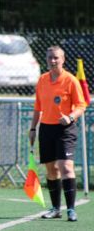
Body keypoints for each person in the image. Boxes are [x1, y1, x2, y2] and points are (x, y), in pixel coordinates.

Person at [29, 46, 86, 222]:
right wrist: (33, 129)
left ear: (63, 59)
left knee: (65, 167)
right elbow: (38, 108)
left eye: (56, 58)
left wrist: (69, 117)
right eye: (50, 58)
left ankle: (70, 209)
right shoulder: (42, 80)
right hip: (46, 129)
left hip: (65, 129)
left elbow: (81, 105)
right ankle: (55, 209)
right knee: (51, 170)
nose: (52, 61)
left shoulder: (70, 80)